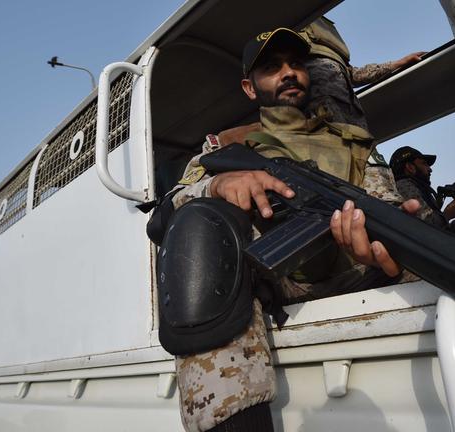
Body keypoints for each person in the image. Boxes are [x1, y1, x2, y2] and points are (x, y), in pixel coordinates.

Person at [158, 28, 416, 432]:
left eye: (296, 63)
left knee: (421, 239)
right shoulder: (225, 148)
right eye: (272, 67)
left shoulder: (352, 142)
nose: (289, 73)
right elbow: (164, 213)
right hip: (277, 282)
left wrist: (388, 243)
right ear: (249, 86)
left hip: (355, 271)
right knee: (203, 236)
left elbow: (383, 209)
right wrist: (217, 184)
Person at [299, 17, 425, 204]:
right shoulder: (292, 20)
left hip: (353, 120)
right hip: (326, 126)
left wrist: (395, 64)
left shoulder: (323, 28)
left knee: (375, 171)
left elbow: (354, 74)